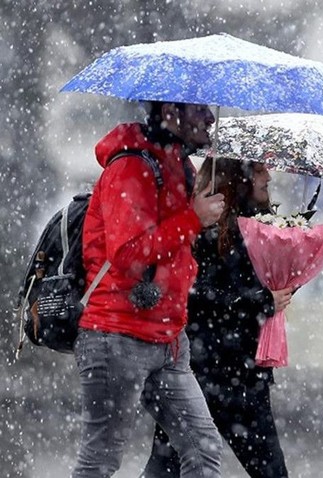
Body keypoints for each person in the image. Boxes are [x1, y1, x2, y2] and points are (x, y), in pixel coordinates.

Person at [73, 101, 226, 478]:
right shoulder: (132, 167)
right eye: (199, 109)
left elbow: (177, 247)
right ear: (170, 111)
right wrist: (193, 218)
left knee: (203, 450)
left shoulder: (179, 166)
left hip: (169, 338)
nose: (210, 117)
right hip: (116, 334)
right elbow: (128, 253)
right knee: (100, 460)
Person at [142, 157, 293, 478]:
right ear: (238, 177)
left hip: (242, 374)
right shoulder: (204, 229)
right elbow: (196, 295)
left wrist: (284, 284)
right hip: (202, 372)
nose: (268, 174)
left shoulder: (264, 228)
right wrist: (261, 302)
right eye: (259, 169)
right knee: (167, 468)